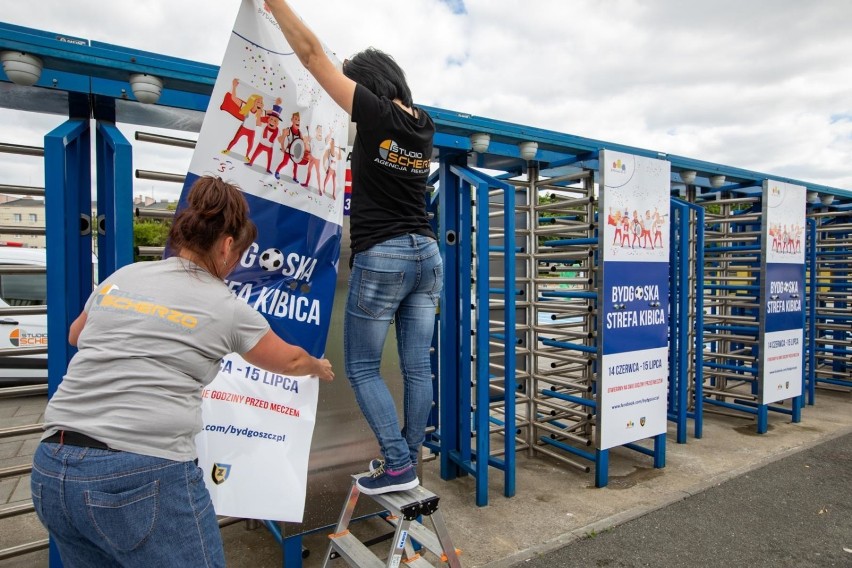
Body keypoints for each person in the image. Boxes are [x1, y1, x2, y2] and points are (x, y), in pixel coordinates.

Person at [30, 176, 334, 567]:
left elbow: (76, 333)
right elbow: (289, 360)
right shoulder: (226, 306)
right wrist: (317, 365)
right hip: (139, 475)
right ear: (227, 246)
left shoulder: (125, 277)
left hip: (52, 467)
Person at [267, 0, 443, 495]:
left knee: (364, 366)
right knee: (417, 367)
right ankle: (405, 460)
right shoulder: (423, 122)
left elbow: (309, 54)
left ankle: (396, 462)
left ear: (368, 84)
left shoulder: (376, 112)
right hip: (426, 255)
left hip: (383, 252)